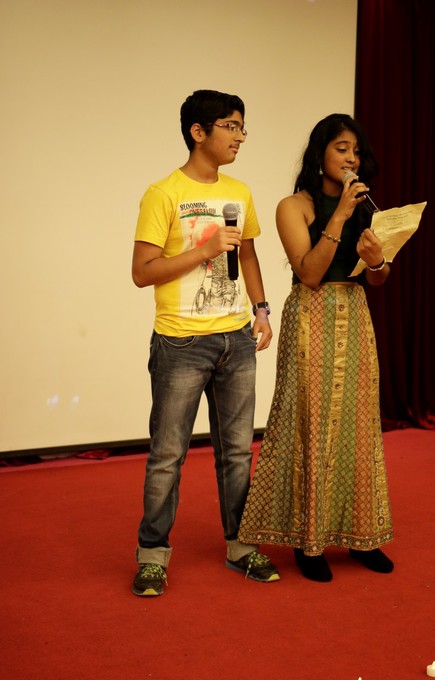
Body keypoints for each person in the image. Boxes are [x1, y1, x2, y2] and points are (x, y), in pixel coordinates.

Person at [131, 89, 280, 597]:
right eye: (230, 126)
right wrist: (206, 248)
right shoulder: (163, 193)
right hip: (180, 343)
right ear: (199, 132)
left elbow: (249, 255)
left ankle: (240, 545)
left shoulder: (240, 191)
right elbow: (142, 272)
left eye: (242, 126)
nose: (240, 136)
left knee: (237, 452)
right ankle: (152, 554)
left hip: (235, 339)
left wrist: (261, 310)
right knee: (167, 455)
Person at [238, 113, 394, 582]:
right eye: (342, 149)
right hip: (312, 316)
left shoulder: (366, 206)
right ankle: (309, 542)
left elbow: (379, 278)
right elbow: (308, 273)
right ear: (320, 153)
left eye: (356, 151)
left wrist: (377, 262)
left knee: (359, 428)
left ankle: (361, 536)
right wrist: (341, 215)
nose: (351, 159)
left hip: (355, 314)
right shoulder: (294, 206)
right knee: (310, 425)